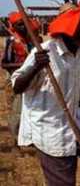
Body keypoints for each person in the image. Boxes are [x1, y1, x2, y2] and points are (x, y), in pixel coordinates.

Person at [11, 7, 80, 186]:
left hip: (75, 118)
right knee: (64, 182)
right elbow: (17, 86)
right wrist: (36, 67)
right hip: (50, 125)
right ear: (69, 30)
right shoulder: (45, 51)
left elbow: (76, 88)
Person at [1, 11, 41, 144]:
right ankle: (15, 141)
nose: (23, 27)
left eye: (24, 23)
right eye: (20, 24)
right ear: (13, 26)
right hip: (15, 80)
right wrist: (22, 66)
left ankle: (28, 138)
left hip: (31, 79)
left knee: (30, 109)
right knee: (17, 112)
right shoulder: (12, 42)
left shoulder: (31, 40)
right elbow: (4, 63)